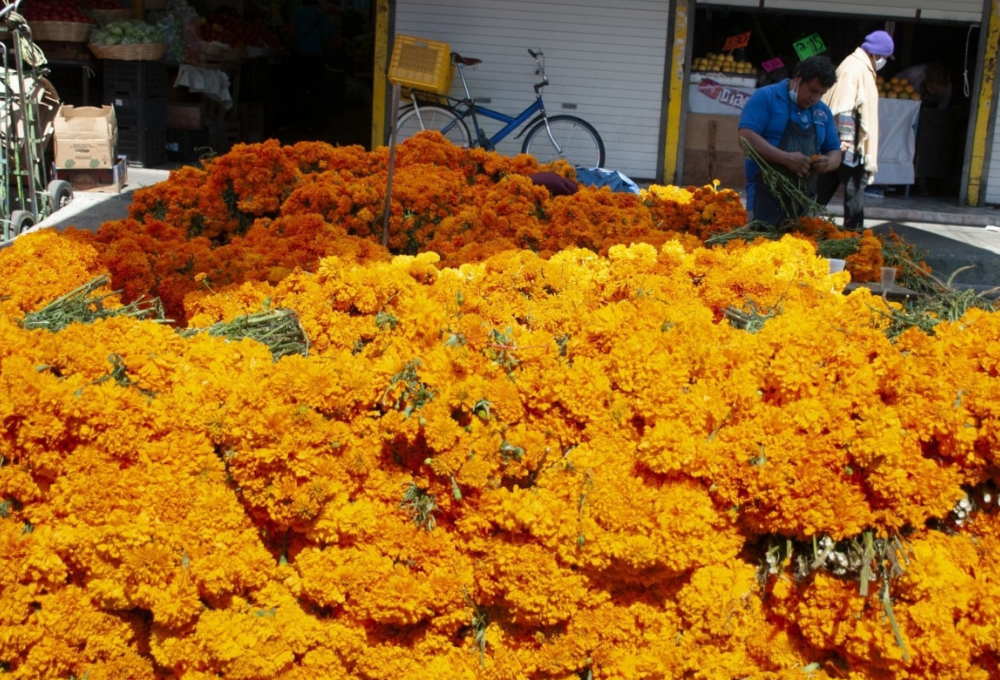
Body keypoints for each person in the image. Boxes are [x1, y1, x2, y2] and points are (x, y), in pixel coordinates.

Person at [738, 56, 842, 228]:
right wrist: (785, 158)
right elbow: (745, 137)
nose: (814, 98)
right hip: (764, 197)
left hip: (803, 200)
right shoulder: (767, 97)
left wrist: (828, 162)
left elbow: (835, 152)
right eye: (812, 90)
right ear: (798, 78)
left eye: (821, 94)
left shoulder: (822, 112)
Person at [815, 30, 894, 231]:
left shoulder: (857, 65)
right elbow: (845, 106)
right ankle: (854, 231)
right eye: (884, 57)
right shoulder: (856, 68)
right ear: (876, 54)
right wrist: (846, 140)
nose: (884, 61)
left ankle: (803, 222)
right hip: (846, 144)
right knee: (855, 186)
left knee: (825, 184)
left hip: (839, 143)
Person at [290, 0, 336, 130]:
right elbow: (331, 42)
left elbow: (290, 31)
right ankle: (315, 123)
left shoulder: (299, 12)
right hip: (317, 59)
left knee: (298, 89)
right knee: (317, 91)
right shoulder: (327, 18)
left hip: (300, 57)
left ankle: (299, 122)